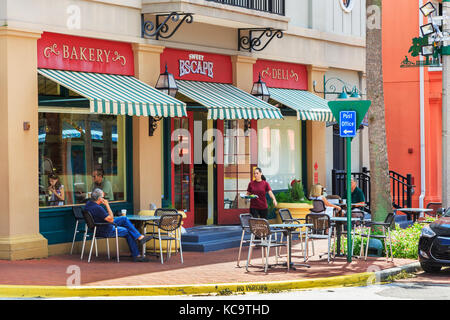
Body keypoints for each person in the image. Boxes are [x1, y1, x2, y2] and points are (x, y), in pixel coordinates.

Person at [84, 188, 152, 262]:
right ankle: (136, 255)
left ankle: (139, 237)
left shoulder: (88, 204)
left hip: (97, 228)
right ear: (100, 199)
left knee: (124, 219)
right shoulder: (98, 208)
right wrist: (107, 205)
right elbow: (111, 219)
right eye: (103, 197)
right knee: (127, 231)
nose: (105, 199)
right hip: (105, 230)